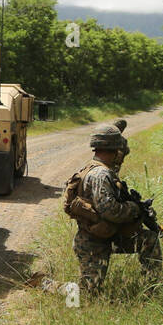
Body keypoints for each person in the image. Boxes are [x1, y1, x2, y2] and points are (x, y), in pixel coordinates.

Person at [65, 124, 142, 296]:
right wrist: (134, 208)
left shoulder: (97, 168)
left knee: (148, 240)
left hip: (105, 235)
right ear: (114, 149)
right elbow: (110, 210)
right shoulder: (101, 174)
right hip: (93, 243)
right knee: (87, 294)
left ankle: (151, 286)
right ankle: (46, 284)